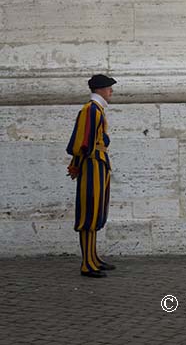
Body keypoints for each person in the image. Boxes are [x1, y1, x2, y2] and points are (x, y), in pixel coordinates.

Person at [66, 74, 117, 278]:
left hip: (98, 163)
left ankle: (93, 257)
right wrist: (77, 165)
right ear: (100, 89)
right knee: (89, 212)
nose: (111, 92)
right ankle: (87, 263)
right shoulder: (91, 110)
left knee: (95, 212)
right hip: (92, 164)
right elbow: (82, 142)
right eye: (109, 88)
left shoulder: (97, 110)